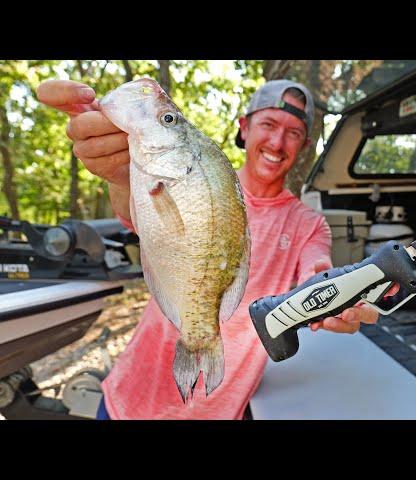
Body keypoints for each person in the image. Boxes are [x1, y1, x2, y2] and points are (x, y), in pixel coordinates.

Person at [37, 77, 392, 420]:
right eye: (268, 124)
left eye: (293, 132)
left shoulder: (309, 224)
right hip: (128, 402)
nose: (278, 142)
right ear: (244, 127)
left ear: (304, 145)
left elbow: (317, 270)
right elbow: (134, 209)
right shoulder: (188, 173)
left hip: (220, 410)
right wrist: (118, 173)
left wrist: (336, 294)